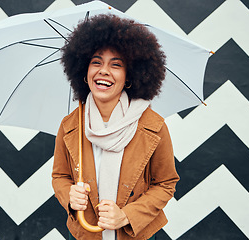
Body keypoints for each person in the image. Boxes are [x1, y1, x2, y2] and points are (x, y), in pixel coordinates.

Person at [52, 14, 179, 240]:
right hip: (85, 234)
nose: (103, 71)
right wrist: (69, 196)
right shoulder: (70, 126)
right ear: (84, 70)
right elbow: (60, 176)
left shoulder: (154, 126)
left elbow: (165, 183)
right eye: (96, 62)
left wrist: (127, 215)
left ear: (129, 76)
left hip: (137, 234)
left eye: (116, 65)